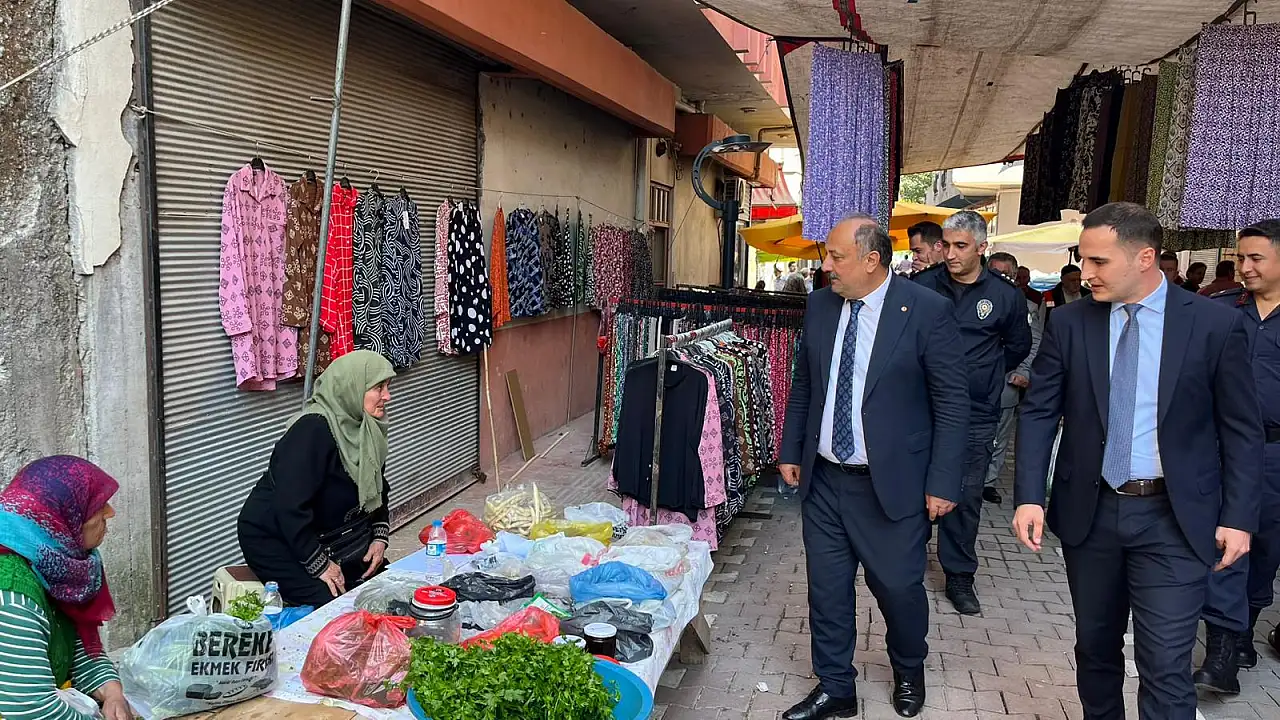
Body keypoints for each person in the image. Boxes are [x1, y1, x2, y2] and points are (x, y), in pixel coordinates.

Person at [1012, 202, 1262, 719]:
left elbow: (1240, 429)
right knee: (1096, 648)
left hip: (1175, 518)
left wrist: (1238, 517)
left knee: (1165, 662)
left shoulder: (1214, 324)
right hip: (1092, 512)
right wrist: (1030, 496)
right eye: (1084, 259)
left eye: (1099, 261)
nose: (1086, 272)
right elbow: (1039, 413)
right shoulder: (1070, 322)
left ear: (1145, 257)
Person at [779, 214, 969, 719]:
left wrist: (944, 481)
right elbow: (805, 383)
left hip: (893, 486)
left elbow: (953, 403)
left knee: (900, 589)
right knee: (827, 591)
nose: (827, 266)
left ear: (871, 260)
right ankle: (835, 688)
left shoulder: (926, 310)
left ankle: (908, 668)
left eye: (836, 257)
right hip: (825, 480)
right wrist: (791, 450)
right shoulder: (821, 305)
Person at [914, 212, 1032, 614]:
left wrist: (985, 375)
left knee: (964, 496)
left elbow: (1017, 346)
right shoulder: (922, 286)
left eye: (960, 246)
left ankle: (959, 575)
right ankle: (909, 559)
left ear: (982, 247)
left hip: (975, 411)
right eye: (945, 245)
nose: (950, 253)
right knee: (913, 486)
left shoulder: (1005, 295)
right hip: (922, 407)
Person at [238, 350, 397, 606]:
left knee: (381, 590)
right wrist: (320, 564)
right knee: (331, 604)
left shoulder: (366, 429)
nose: (387, 396)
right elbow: (288, 506)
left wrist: (379, 536)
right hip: (275, 535)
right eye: (379, 388)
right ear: (351, 387)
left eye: (387, 387)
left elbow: (377, 487)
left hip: (326, 532)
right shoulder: (311, 431)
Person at [1196, 220, 1280, 693]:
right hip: (1218, 450)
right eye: (1240, 257)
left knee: (1265, 546)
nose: (1245, 267)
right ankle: (1222, 654)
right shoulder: (1221, 310)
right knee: (1225, 542)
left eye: (1256, 258)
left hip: (1274, 452)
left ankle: (1245, 628)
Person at [0, 456, 132, 720]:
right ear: (60, 518)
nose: (110, 513)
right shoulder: (12, 596)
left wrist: (113, 694)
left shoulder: (56, 565)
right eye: (96, 506)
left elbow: (82, 654)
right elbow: (31, 709)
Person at [982, 252, 1043, 506]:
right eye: (994, 272)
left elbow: (1034, 342)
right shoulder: (975, 301)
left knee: (999, 436)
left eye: (1005, 274)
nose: (1000, 278)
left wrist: (1024, 372)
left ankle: (988, 482)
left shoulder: (1026, 307)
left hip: (1006, 381)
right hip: (974, 383)